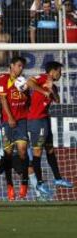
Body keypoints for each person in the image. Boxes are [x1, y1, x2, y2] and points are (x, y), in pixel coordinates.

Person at [26, 61, 73, 194]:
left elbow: (57, 100)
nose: (61, 74)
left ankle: (58, 178)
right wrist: (43, 90)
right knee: (37, 152)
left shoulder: (54, 86)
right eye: (59, 71)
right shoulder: (41, 78)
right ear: (52, 71)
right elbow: (29, 83)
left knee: (50, 149)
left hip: (44, 120)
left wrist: (51, 89)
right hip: (36, 121)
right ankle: (39, 183)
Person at [0, 56, 29, 201]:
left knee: (22, 150)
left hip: (22, 120)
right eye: (18, 65)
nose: (20, 68)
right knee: (8, 155)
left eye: (22, 66)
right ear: (11, 66)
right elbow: (3, 99)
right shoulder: (4, 79)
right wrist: (10, 117)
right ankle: (10, 186)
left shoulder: (23, 82)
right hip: (7, 121)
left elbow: (28, 100)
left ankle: (24, 181)